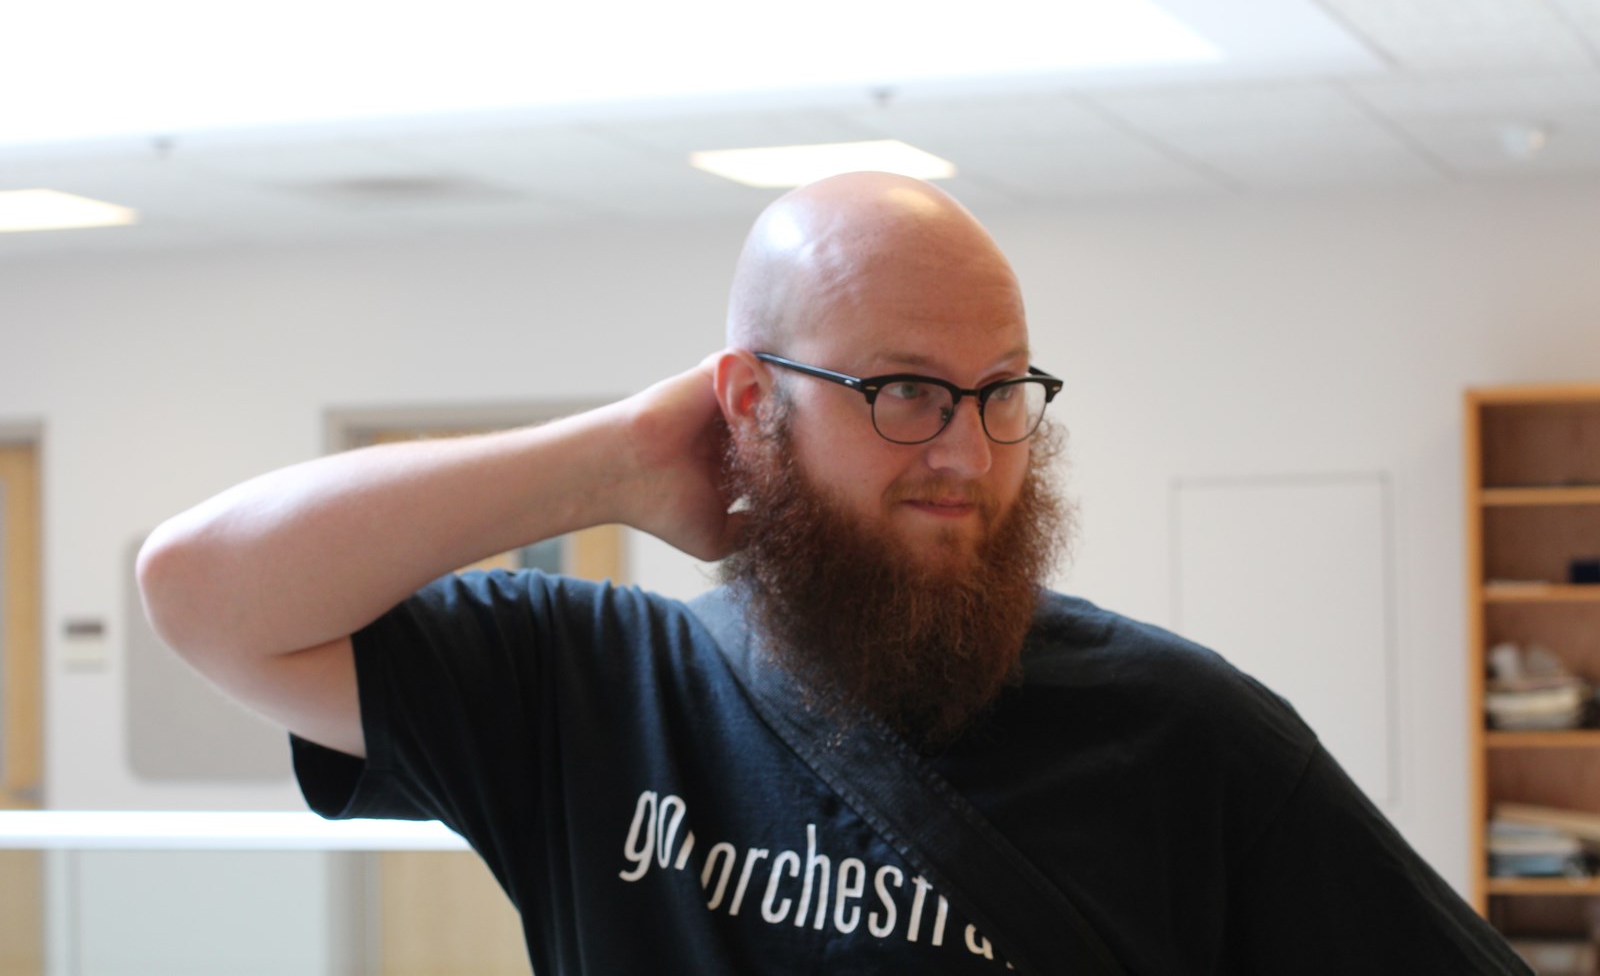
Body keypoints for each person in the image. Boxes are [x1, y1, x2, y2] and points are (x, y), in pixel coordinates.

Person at [138, 172, 1529, 973]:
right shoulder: (592, 694)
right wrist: (616, 460)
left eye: (1000, 391)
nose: (968, 453)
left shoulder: (1180, 731)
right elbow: (205, 590)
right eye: (904, 391)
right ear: (752, 403)